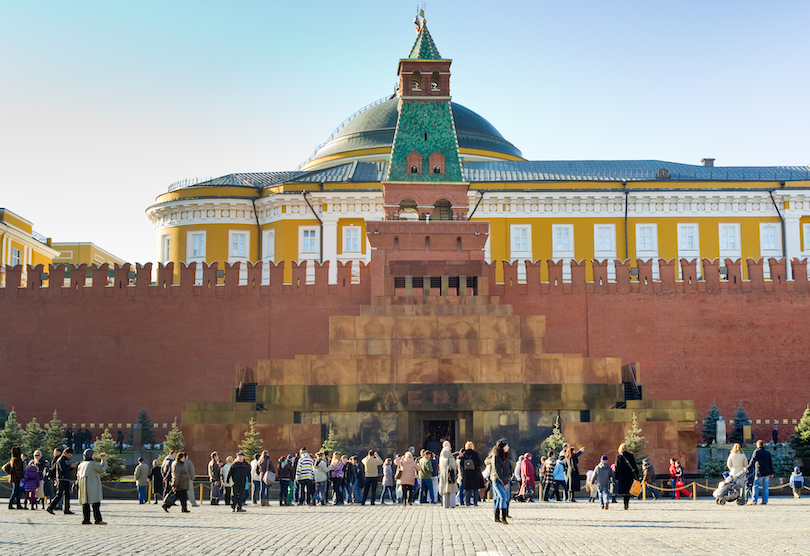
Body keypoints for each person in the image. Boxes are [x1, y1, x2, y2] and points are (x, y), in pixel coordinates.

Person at [77, 448, 108, 525]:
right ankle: (98, 520)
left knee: (85, 503)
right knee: (96, 503)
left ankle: (86, 519)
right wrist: (103, 460)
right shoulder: (92, 464)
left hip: (83, 485)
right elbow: (102, 469)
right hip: (92, 485)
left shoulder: (81, 464)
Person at [489, 438, 513, 524]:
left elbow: (508, 468)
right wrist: (504, 482)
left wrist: (509, 477)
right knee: (502, 497)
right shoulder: (496, 456)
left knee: (500, 498)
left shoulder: (506, 455)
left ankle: (497, 516)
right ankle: (503, 517)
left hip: (505, 480)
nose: (508, 447)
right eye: (506, 446)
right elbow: (497, 470)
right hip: (497, 480)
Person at [46, 447, 76, 515]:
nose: (70, 456)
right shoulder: (61, 460)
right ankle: (50, 507)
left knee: (67, 495)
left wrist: (72, 467)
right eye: (69, 455)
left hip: (66, 479)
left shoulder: (66, 460)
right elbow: (62, 469)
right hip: (61, 479)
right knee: (59, 495)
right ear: (65, 453)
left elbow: (67, 469)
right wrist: (70, 466)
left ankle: (67, 509)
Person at [746, 439, 774, 505]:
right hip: (767, 472)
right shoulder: (767, 452)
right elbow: (770, 463)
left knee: (755, 486)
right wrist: (772, 472)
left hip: (759, 472)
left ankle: (754, 500)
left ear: (757, 445)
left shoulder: (756, 452)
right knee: (766, 487)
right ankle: (764, 501)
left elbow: (753, 461)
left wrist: (747, 468)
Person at [615, 443, 639, 510]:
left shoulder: (619, 457)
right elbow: (634, 466)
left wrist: (616, 477)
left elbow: (617, 467)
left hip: (622, 476)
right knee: (628, 490)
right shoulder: (631, 456)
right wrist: (637, 475)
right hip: (629, 475)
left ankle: (624, 504)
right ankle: (627, 504)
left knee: (624, 491)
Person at [459, 441, 483, 506]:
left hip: (466, 474)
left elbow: (461, 464)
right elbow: (480, 463)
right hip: (474, 473)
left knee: (467, 489)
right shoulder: (475, 454)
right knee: (475, 488)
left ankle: (467, 502)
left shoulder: (464, 454)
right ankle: (475, 502)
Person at [2, 445, 24, 510]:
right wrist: (20, 475)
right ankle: (13, 504)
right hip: (16, 477)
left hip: (13, 477)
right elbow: (17, 469)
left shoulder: (12, 459)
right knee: (16, 491)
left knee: (16, 491)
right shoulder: (17, 460)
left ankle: (15, 504)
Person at [438, 441, 459, 508]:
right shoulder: (450, 457)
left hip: (443, 475)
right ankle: (452, 504)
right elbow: (454, 466)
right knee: (452, 490)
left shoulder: (441, 457)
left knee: (445, 491)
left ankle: (445, 504)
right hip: (450, 475)